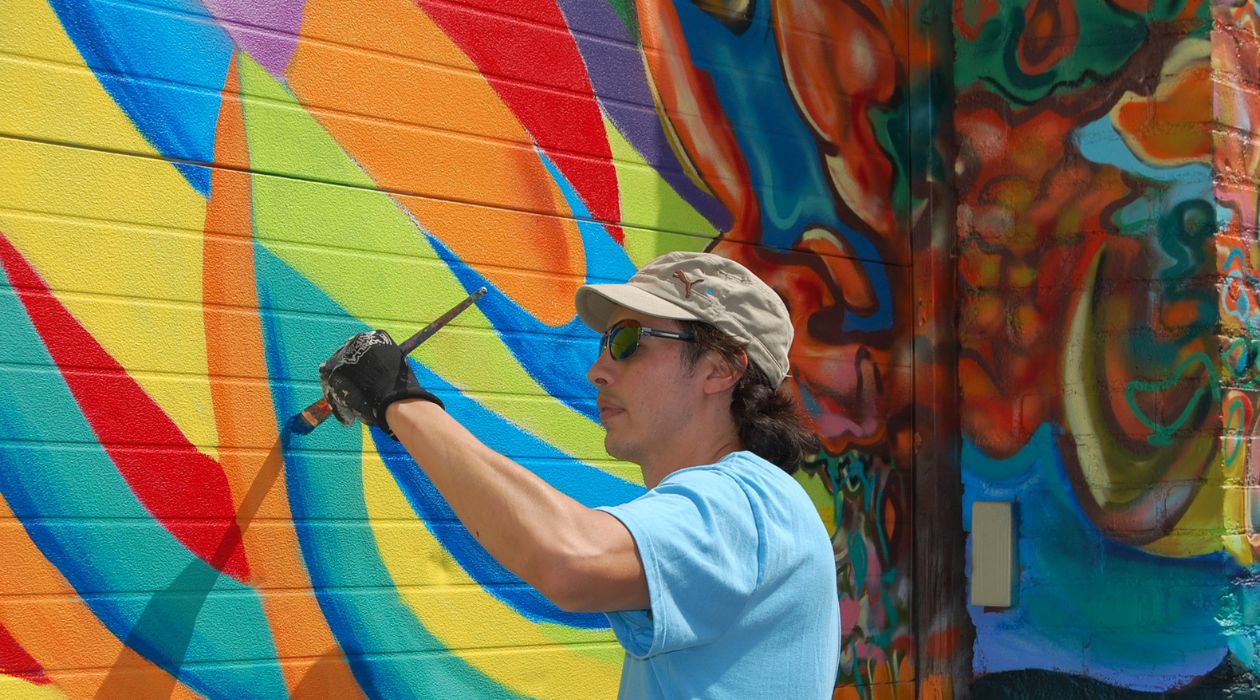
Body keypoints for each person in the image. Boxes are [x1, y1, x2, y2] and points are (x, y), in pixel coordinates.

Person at [319, 251, 840, 698]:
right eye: (603, 343)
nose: (598, 370)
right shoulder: (755, 509)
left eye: (628, 341)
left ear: (721, 369)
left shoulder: (749, 505)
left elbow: (570, 558)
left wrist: (400, 402)